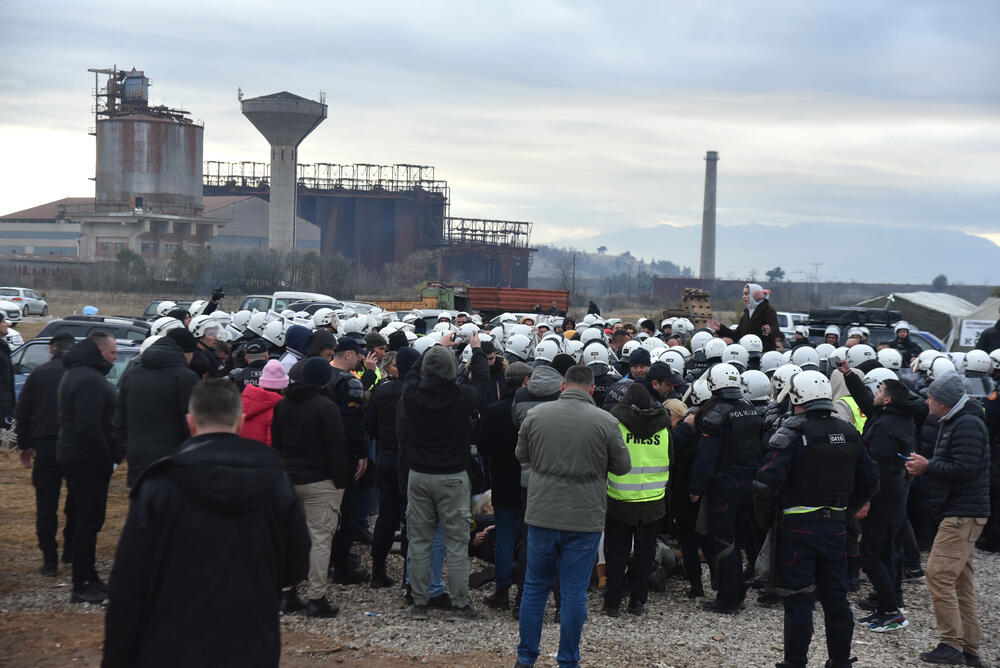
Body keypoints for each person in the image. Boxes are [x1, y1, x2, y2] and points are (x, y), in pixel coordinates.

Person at [102, 379, 310, 667]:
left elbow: (128, 584)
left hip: (173, 643)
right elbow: (295, 567)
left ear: (190, 423)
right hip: (250, 643)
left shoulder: (159, 486)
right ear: (239, 423)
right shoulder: (276, 483)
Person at [754, 370, 879, 668]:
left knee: (798, 599)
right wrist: (848, 509)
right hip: (836, 529)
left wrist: (766, 521)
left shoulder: (793, 432)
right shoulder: (848, 431)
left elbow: (764, 483)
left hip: (798, 531)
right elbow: (872, 479)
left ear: (797, 398)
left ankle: (795, 662)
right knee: (836, 599)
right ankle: (840, 661)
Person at [514, 364, 630, 668]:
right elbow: (622, 466)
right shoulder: (606, 421)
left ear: (563, 386)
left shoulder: (536, 416)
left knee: (535, 587)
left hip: (542, 512)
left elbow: (521, 455)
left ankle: (525, 659)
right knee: (575, 591)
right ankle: (568, 661)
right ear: (592, 390)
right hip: (585, 516)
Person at [399, 333, 490, 621]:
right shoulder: (461, 398)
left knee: (421, 541)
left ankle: (419, 603)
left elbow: (413, 372)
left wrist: (436, 346)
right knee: (457, 543)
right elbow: (483, 384)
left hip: (420, 476)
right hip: (452, 476)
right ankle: (460, 605)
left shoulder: (411, 394)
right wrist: (476, 350)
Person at [905, 372, 991, 667]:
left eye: (930, 397)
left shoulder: (966, 423)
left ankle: (951, 644)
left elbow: (965, 468)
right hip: (961, 511)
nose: (926, 401)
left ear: (943, 402)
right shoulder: (959, 420)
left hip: (962, 513)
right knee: (959, 582)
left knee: (939, 574)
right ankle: (969, 649)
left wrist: (928, 467)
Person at [840, 373, 921, 632]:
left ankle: (890, 611)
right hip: (892, 497)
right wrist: (849, 375)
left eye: (879, 391)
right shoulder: (894, 417)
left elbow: (880, 470)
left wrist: (865, 500)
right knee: (884, 551)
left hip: (883, 500)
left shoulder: (887, 427)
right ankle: (887, 605)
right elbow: (866, 402)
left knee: (871, 554)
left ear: (887, 399)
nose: (874, 394)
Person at [271, 357, 351, 618]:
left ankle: (287, 592)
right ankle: (316, 598)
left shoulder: (282, 406)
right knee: (319, 539)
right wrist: (341, 481)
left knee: (291, 537)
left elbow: (277, 445)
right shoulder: (326, 407)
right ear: (324, 379)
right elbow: (337, 449)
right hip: (319, 481)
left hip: (288, 479)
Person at [688, 363, 764, 614]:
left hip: (725, 486)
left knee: (723, 542)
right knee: (739, 541)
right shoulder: (750, 409)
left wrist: (696, 487)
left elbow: (706, 457)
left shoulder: (714, 414)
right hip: (751, 484)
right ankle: (737, 591)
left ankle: (728, 599)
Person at [57, 332, 121, 604]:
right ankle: (82, 584)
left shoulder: (81, 374)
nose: (115, 356)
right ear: (98, 351)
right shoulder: (88, 380)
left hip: (79, 457)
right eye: (112, 352)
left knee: (89, 520)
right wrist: (107, 459)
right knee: (88, 521)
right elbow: (88, 427)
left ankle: (89, 576)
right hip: (86, 461)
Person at [604, 383, 670, 617]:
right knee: (645, 555)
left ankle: (612, 603)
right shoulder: (664, 429)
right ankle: (637, 602)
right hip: (653, 504)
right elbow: (672, 461)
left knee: (616, 553)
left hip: (619, 501)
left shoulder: (616, 426)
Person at [15, 333, 76, 575]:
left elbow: (23, 412)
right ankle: (70, 549)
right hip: (75, 446)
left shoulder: (38, 374)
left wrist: (24, 446)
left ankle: (49, 560)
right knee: (77, 501)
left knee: (46, 506)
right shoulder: (82, 374)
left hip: (46, 446)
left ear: (51, 350)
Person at [476, 361, 533, 611]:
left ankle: (502, 590)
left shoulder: (493, 411)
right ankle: (526, 590)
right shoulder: (535, 411)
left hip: (502, 478)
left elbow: (483, 448)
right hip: (529, 481)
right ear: (526, 382)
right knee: (531, 538)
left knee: (505, 537)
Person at [115, 328, 199, 487]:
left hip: (137, 455)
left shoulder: (131, 374)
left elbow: (120, 419)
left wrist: (118, 453)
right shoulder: (186, 378)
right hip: (173, 459)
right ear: (186, 352)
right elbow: (191, 424)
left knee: (141, 504)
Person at [366, 347, 420, 589]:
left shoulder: (381, 390)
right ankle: (408, 576)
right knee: (410, 517)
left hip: (386, 455)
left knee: (386, 516)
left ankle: (378, 570)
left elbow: (370, 425)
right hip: (407, 458)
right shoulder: (416, 393)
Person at [326, 336, 372, 583]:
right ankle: (342, 566)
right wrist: (362, 453)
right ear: (348, 354)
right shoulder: (349, 382)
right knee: (349, 512)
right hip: (345, 453)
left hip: (322, 452)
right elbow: (354, 423)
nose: (362, 358)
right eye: (358, 353)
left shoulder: (322, 374)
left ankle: (329, 558)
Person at [708, 282, 780, 352]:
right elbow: (737, 335)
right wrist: (721, 328)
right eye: (743, 294)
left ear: (755, 295)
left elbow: (776, 330)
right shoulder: (747, 313)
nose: (743, 296)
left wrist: (768, 331)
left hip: (764, 353)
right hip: (747, 353)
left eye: (746, 294)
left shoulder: (768, 310)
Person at [240, 359, 287, 447]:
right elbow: (272, 445)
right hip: (262, 457)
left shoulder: (242, 403)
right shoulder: (277, 411)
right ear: (283, 388)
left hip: (240, 455)